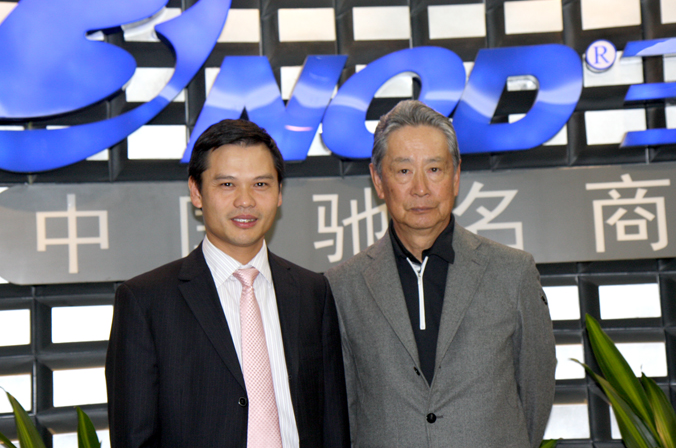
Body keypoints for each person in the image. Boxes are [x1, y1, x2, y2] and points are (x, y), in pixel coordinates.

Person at [325, 100, 556, 448]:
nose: (421, 188)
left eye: (434, 169)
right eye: (404, 171)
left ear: (456, 175)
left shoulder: (513, 273)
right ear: (378, 180)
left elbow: (535, 395)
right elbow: (346, 411)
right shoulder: (343, 287)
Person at [106, 119, 349, 448]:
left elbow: (332, 424)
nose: (245, 201)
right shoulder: (145, 302)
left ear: (279, 193)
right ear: (196, 192)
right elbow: (134, 438)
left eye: (260, 184)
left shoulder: (312, 292)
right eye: (227, 184)